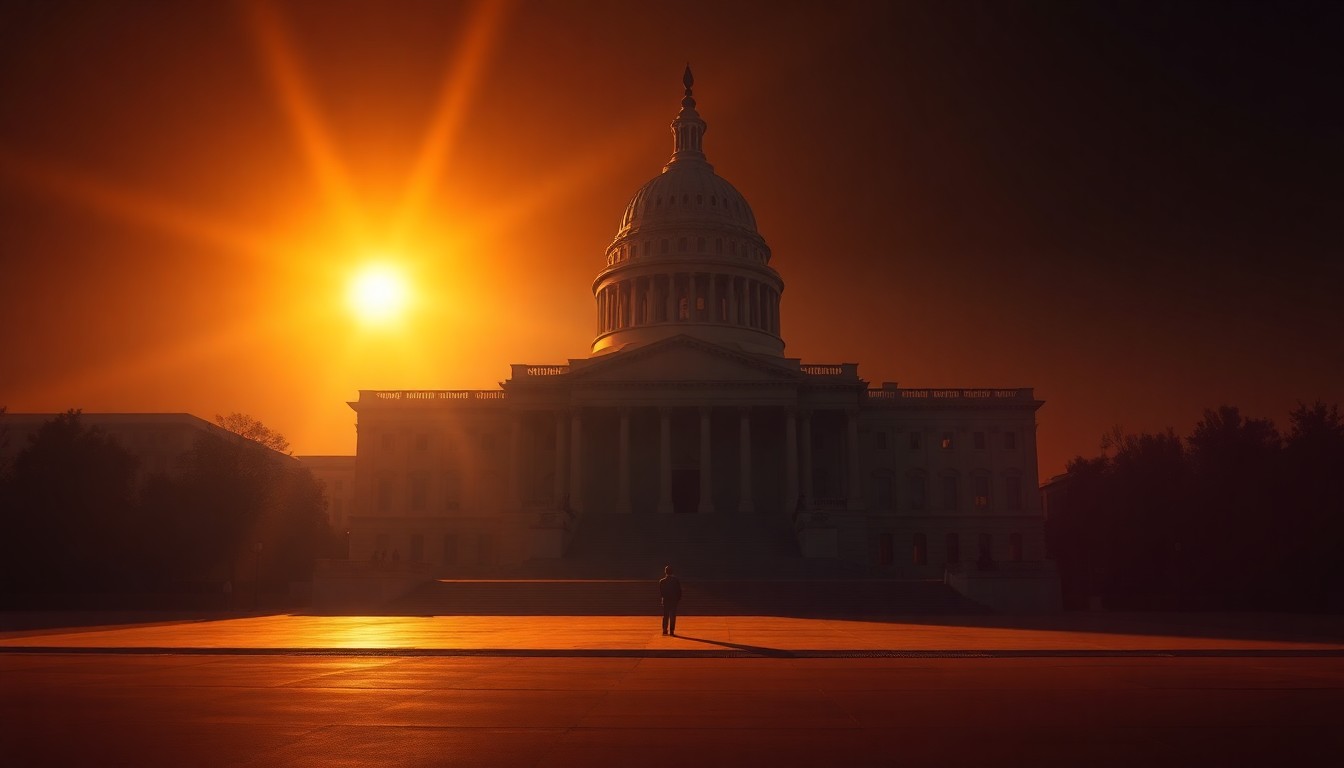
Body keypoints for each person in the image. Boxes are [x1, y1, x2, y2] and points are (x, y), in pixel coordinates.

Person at [659, 565, 682, 636]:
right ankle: (672, 630)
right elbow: (679, 591)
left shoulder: (662, 581)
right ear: (672, 572)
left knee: (665, 616)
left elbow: (661, 592)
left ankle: (664, 630)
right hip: (674, 600)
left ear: (665, 572)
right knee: (673, 616)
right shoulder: (676, 581)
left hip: (666, 600)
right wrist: (677, 599)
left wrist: (663, 598)